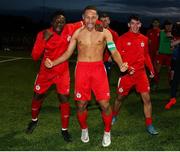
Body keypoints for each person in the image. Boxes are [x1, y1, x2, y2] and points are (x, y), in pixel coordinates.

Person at [44, 5, 128, 147]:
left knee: (105, 104)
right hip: (82, 69)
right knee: (81, 104)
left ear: (97, 18)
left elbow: (114, 51)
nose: (90, 20)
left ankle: (107, 131)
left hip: (98, 70)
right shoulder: (77, 33)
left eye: (93, 17)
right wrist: (53, 62)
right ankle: (84, 129)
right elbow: (67, 53)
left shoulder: (105, 32)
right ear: (83, 17)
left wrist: (120, 64)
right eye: (87, 17)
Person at [25, 10, 83, 142]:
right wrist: (43, 41)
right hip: (45, 73)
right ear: (52, 22)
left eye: (62, 21)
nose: (60, 23)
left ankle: (64, 130)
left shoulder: (70, 28)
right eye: (57, 21)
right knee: (37, 96)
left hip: (62, 72)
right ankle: (34, 121)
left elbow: (87, 19)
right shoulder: (43, 34)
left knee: (64, 99)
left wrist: (99, 23)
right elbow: (34, 56)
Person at [111, 15, 158, 135]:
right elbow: (117, 57)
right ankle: (114, 115)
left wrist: (151, 69)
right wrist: (126, 68)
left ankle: (149, 124)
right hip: (127, 75)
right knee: (120, 98)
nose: (135, 26)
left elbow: (146, 55)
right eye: (132, 23)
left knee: (147, 99)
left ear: (140, 25)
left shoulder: (144, 39)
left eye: (137, 24)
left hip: (141, 74)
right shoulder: (121, 39)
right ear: (128, 25)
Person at [165, 22, 180, 109]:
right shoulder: (175, 35)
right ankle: (172, 98)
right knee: (175, 80)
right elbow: (171, 44)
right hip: (178, 60)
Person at [99, 13, 119, 81]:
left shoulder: (113, 33)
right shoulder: (96, 32)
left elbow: (117, 46)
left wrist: (111, 57)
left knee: (105, 79)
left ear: (109, 21)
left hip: (106, 60)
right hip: (96, 60)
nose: (103, 22)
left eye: (105, 20)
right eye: (101, 21)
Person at [156, 20, 174, 87]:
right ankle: (155, 83)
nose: (169, 27)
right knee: (157, 70)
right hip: (161, 54)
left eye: (170, 25)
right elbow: (157, 41)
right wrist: (157, 49)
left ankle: (171, 84)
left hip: (170, 54)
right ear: (165, 26)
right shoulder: (161, 32)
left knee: (170, 70)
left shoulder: (174, 33)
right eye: (167, 25)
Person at [146, 19, 161, 90]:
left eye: (156, 23)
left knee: (156, 67)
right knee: (149, 67)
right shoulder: (149, 31)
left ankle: (156, 83)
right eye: (154, 22)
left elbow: (161, 43)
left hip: (157, 53)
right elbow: (147, 41)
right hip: (149, 53)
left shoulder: (160, 32)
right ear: (152, 23)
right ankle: (149, 81)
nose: (155, 24)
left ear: (159, 24)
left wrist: (159, 50)